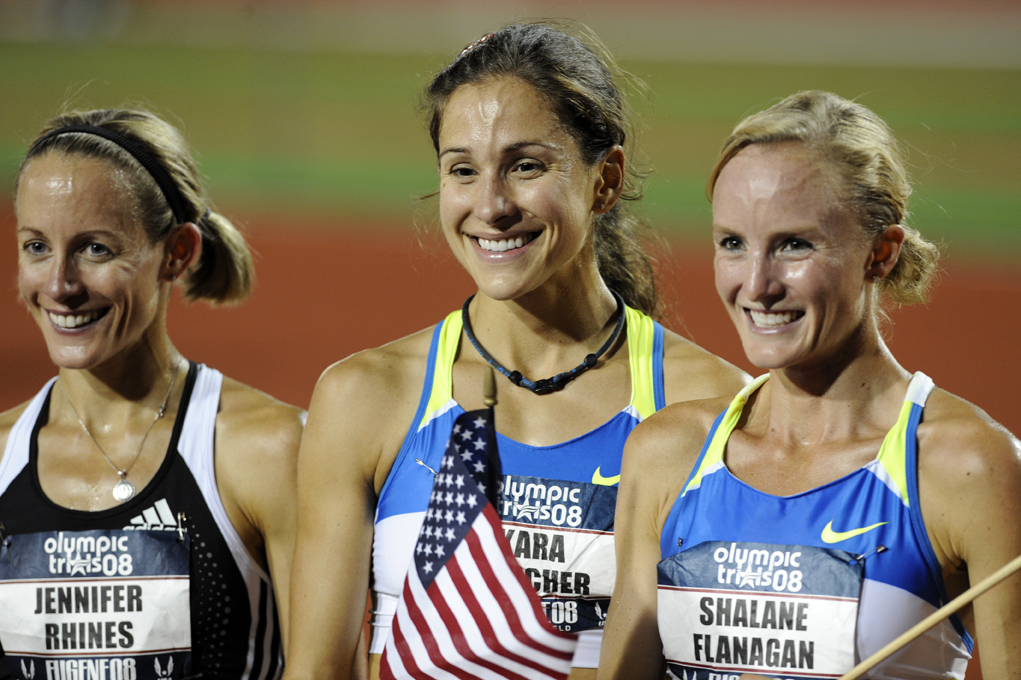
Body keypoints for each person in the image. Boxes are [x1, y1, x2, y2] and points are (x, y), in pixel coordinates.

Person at [284, 21, 748, 680]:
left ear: (604, 180)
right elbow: (317, 670)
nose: (491, 205)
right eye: (463, 171)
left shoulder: (711, 403)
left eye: (525, 166)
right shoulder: (365, 397)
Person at [598, 90, 1021, 680]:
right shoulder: (667, 454)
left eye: (794, 244)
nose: (757, 284)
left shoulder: (967, 468)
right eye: (733, 243)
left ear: (881, 252)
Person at [0, 109, 303, 680]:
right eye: (37, 247)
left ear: (178, 253)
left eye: (94, 249)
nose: (60, 286)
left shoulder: (266, 449)